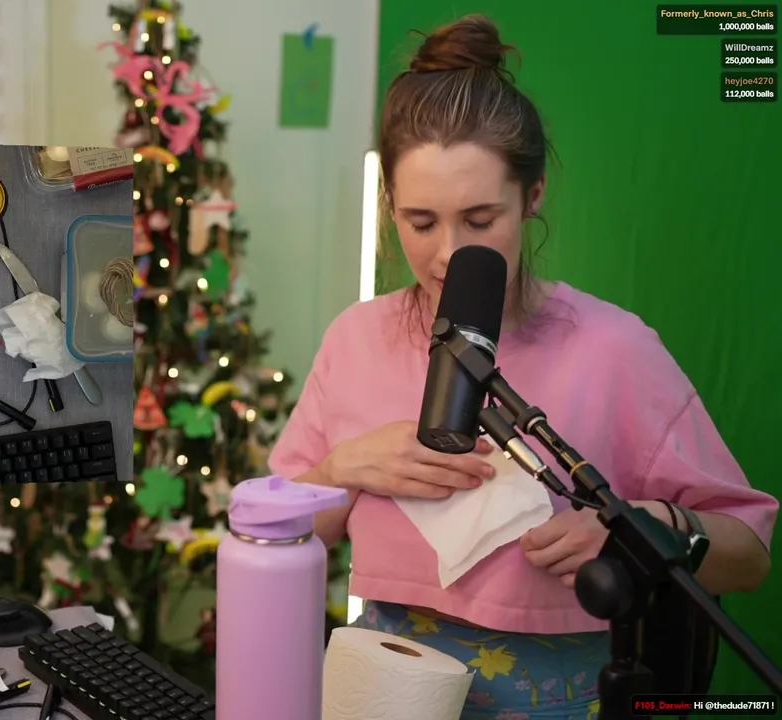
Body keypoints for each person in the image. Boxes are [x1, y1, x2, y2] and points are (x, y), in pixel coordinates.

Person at [269, 14, 777, 720]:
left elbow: (748, 555)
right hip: (384, 693)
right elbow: (279, 533)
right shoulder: (356, 339)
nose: (449, 255)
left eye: (481, 221)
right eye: (421, 222)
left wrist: (643, 529)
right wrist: (339, 469)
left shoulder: (615, 349)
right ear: (388, 205)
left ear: (532, 197)